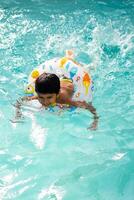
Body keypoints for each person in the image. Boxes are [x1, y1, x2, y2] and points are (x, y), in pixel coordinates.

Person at [14, 72, 98, 130]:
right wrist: (18, 114)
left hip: (68, 82)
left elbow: (89, 107)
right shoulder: (40, 94)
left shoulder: (64, 99)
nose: (45, 102)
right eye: (41, 97)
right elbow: (20, 101)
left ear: (57, 94)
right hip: (58, 82)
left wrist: (95, 121)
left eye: (49, 97)